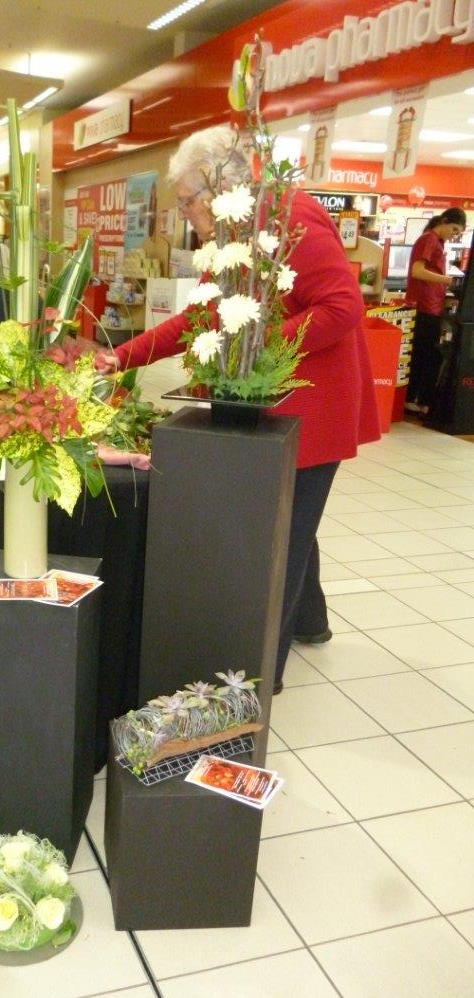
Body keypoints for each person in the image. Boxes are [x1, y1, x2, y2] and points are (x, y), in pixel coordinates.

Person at [96, 126, 380, 694]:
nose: (184, 214)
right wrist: (120, 357)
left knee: (283, 534)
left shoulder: (291, 215)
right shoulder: (233, 231)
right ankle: (312, 621)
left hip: (309, 402)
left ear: (218, 185)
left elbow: (342, 305)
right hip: (272, 397)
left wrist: (258, 347)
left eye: (186, 201)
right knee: (292, 516)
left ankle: (261, 678)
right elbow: (200, 316)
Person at [404, 207, 466, 416]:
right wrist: (448, 280)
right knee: (425, 355)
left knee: (425, 354)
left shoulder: (436, 242)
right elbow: (417, 271)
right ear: (445, 221)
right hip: (424, 307)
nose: (454, 235)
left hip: (432, 307)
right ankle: (414, 400)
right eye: (454, 229)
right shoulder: (429, 239)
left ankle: (416, 400)